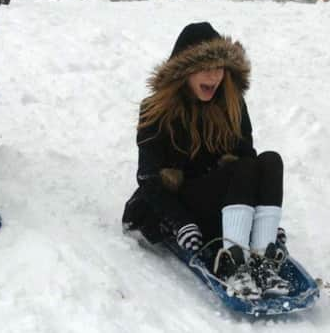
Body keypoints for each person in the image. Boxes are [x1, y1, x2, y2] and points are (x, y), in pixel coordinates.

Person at [122, 22, 290, 300]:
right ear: (185, 72)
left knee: (270, 160)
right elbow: (149, 178)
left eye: (219, 68)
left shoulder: (233, 103)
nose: (213, 77)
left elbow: (246, 157)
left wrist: (263, 221)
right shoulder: (156, 110)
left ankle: (262, 257)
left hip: (224, 198)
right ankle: (232, 262)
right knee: (243, 167)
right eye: (205, 68)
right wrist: (181, 223)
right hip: (182, 200)